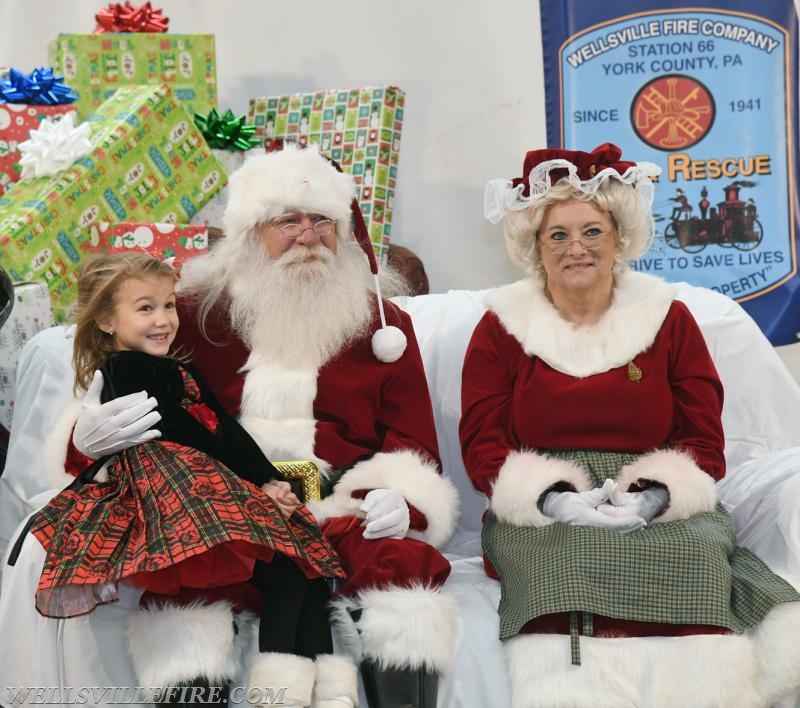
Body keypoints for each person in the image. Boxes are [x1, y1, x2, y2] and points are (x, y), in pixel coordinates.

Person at [67, 143, 459, 708]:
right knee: (187, 593)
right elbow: (144, 408)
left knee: (404, 576)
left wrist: (397, 496)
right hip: (225, 507)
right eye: (287, 221)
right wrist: (87, 442)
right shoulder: (194, 316)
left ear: (342, 230)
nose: (307, 234)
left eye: (321, 219)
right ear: (251, 232)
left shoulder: (384, 325)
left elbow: (413, 439)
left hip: (339, 506)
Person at [465, 143, 800, 706]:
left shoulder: (668, 317)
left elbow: (702, 437)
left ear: (620, 238)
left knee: (694, 553)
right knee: (560, 560)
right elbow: (482, 441)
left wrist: (654, 496)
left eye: (592, 231)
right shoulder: (501, 327)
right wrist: (552, 500)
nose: (577, 248)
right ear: (535, 248)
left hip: (652, 492)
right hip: (545, 503)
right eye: (559, 235)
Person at [24, 252, 346, 706]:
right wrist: (256, 486)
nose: (163, 320)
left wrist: (270, 480)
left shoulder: (178, 367)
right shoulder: (125, 368)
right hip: (181, 489)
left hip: (208, 478)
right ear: (105, 321)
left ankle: (313, 688)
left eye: (169, 305)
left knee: (297, 573)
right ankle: (290, 693)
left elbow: (226, 427)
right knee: (290, 572)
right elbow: (179, 427)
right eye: (145, 308)